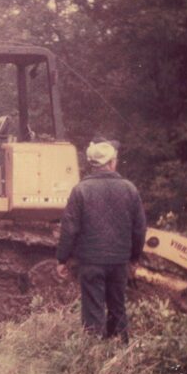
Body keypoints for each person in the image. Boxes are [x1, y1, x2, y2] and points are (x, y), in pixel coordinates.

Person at [56, 139, 146, 340]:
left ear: (92, 164)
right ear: (112, 162)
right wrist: (134, 258)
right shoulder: (129, 189)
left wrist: (62, 259)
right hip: (119, 261)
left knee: (92, 310)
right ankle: (120, 355)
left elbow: (69, 229)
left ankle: (94, 356)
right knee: (118, 308)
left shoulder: (80, 190)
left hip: (91, 262)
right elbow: (139, 229)